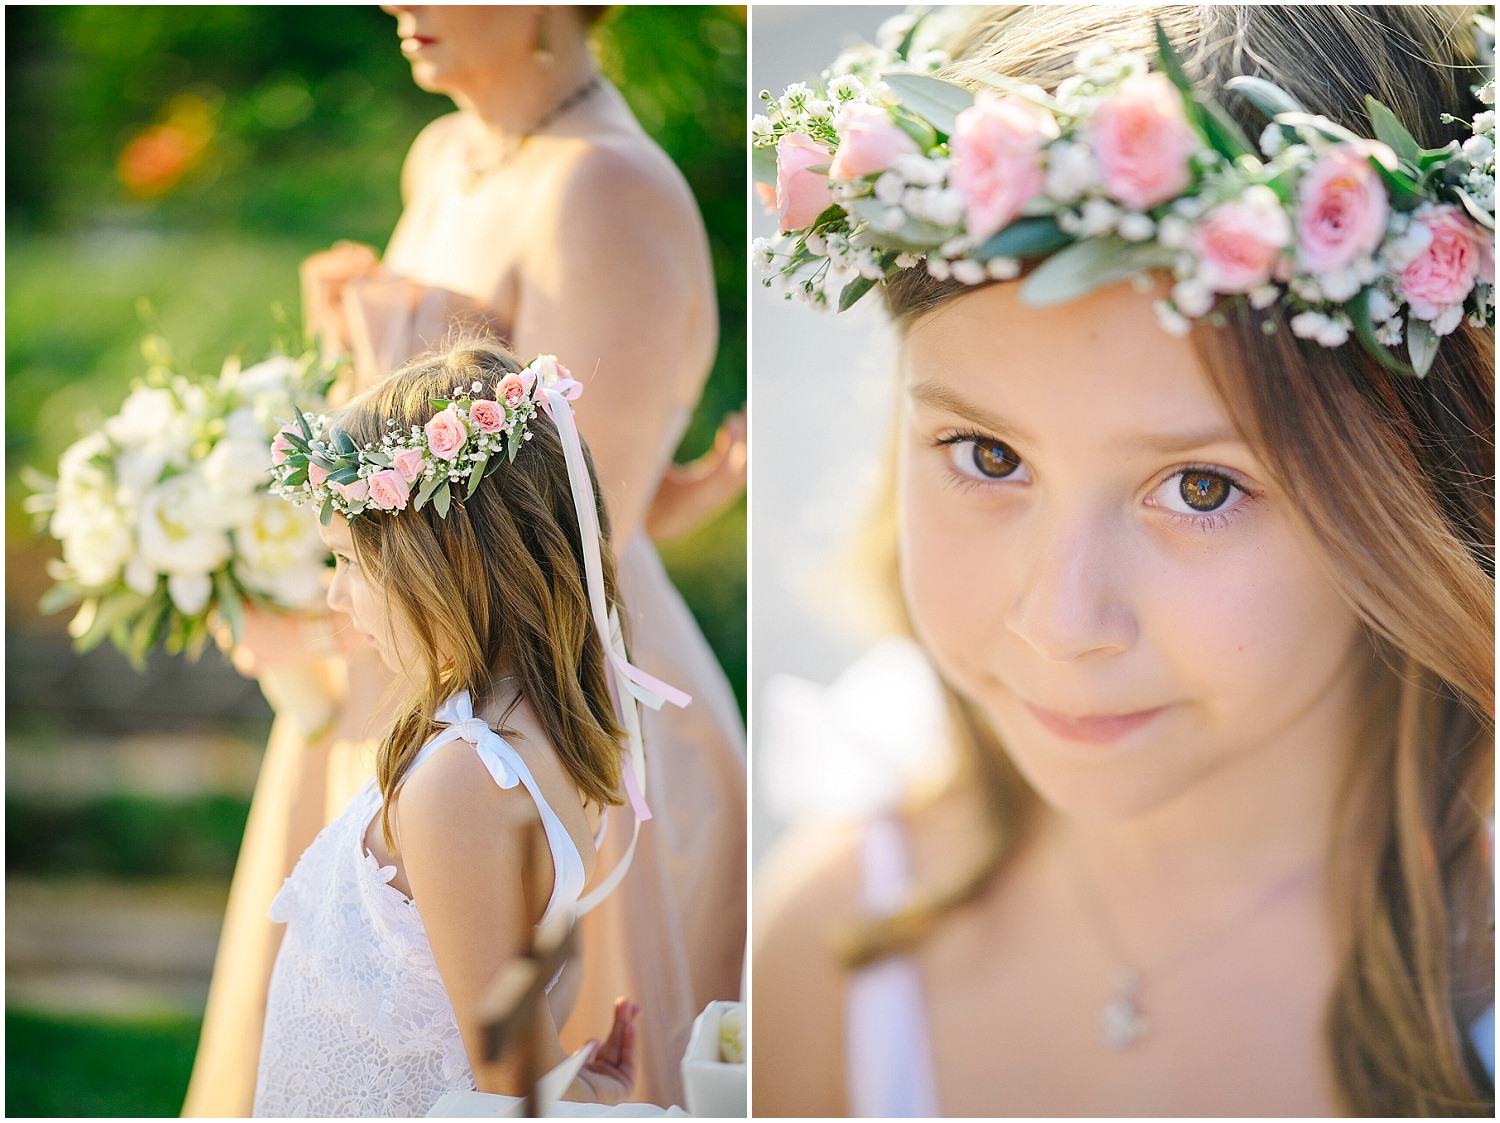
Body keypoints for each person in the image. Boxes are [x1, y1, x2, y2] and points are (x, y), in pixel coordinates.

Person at [752, 5, 1494, 1117]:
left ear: (1424, 483)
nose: (1059, 622)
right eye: (987, 454)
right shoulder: (827, 951)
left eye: (1202, 488)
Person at [186, 7, 746, 1112]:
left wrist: (314, 621)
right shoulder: (442, 156)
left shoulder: (606, 190)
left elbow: (578, 517)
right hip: (408, 656)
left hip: (515, 677)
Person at [253, 341, 651, 1116]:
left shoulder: (463, 779)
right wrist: (576, 1083)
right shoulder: (541, 735)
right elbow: (524, 982)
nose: (335, 598)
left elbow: (506, 1075)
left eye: (348, 562)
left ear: (440, 561)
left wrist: (562, 1086)